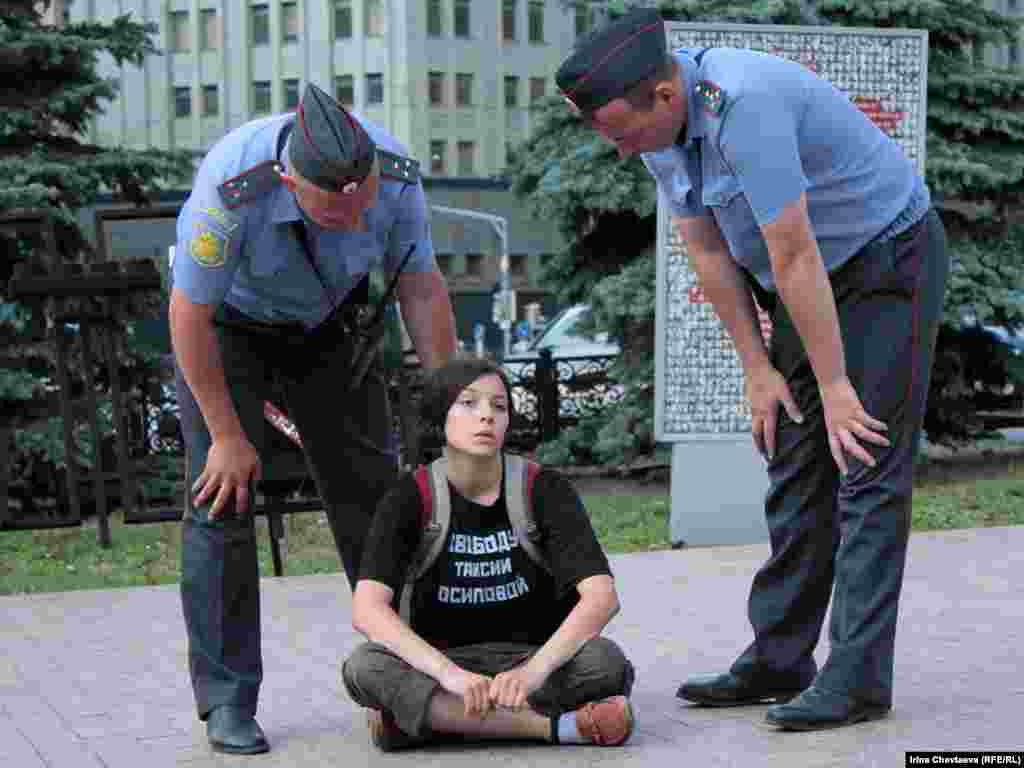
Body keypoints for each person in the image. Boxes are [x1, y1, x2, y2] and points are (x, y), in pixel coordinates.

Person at [556, 9, 949, 731]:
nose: (618, 152)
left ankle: (858, 679)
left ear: (665, 96)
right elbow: (707, 250)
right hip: (811, 281)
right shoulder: (655, 127)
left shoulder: (743, 106)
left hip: (886, 261)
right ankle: (778, 660)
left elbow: (794, 250)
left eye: (621, 133)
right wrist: (758, 368)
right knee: (795, 459)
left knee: (861, 456)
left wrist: (835, 387)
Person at [170, 83, 456, 754]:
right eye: (337, 214)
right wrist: (227, 436)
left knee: (377, 496)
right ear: (289, 181)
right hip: (228, 331)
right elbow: (189, 316)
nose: (358, 223)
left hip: (332, 325)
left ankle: (410, 673)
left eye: (365, 208)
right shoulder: (232, 185)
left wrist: (449, 404)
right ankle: (227, 702)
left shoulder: (396, 172)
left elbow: (420, 285)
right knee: (222, 497)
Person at [341, 358, 635, 751]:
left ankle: (424, 721)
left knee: (606, 663)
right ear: (439, 416)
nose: (486, 417)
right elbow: (367, 610)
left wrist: (532, 672)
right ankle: (552, 729)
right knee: (365, 667)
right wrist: (450, 676)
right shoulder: (409, 497)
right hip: (439, 663)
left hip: (529, 661)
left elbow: (602, 597)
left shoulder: (543, 489)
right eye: (468, 403)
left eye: (498, 406)